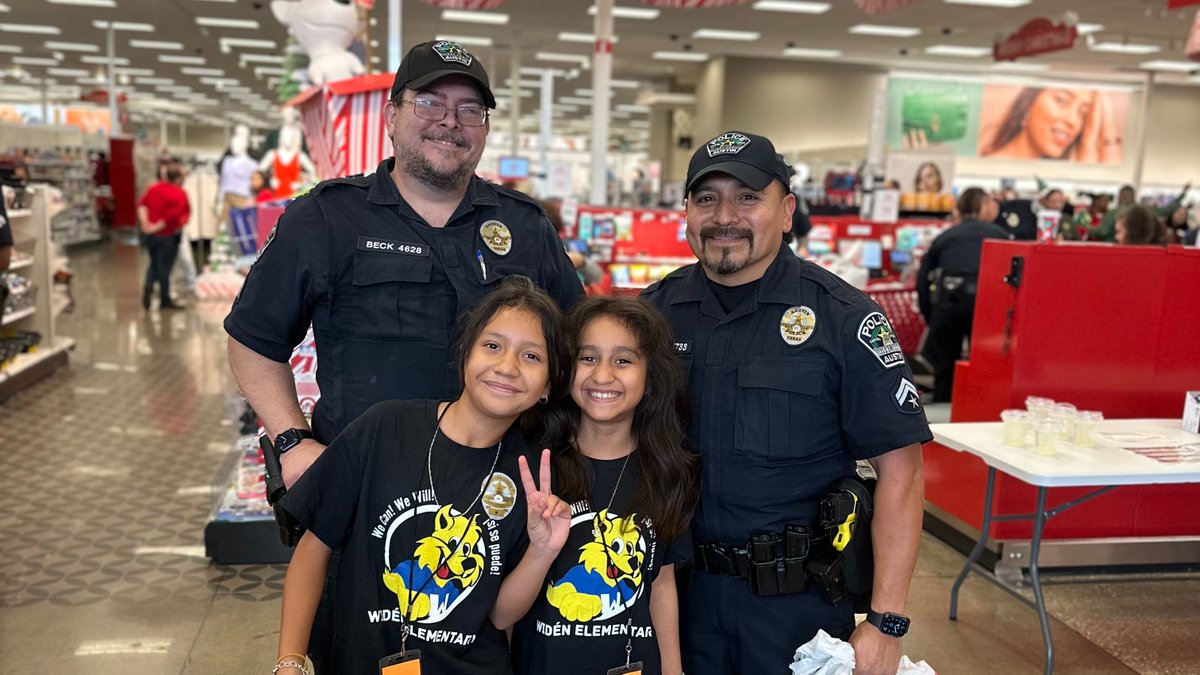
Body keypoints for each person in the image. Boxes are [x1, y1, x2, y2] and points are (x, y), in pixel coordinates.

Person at [224, 39, 584, 488]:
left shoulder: (526, 224)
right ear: (392, 117)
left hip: (500, 489)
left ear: (486, 129)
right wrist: (292, 440)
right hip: (363, 484)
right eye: (430, 103)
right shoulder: (324, 218)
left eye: (470, 110)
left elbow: (577, 342)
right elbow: (253, 338)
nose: (450, 122)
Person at [642, 131, 931, 675]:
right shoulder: (652, 316)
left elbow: (903, 473)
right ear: (687, 213)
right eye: (707, 199)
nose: (724, 216)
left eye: (748, 197)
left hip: (798, 611)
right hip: (672, 601)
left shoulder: (845, 319)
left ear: (787, 211)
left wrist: (886, 622)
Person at [274, 277, 573, 675]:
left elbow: (500, 616)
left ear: (548, 385)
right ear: (465, 352)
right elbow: (313, 551)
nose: (507, 367)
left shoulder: (533, 475)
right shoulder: (384, 428)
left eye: (531, 356)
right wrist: (290, 662)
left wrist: (542, 550)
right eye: (492, 346)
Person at [512, 297, 700, 675]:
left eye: (623, 360)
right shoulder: (534, 465)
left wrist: (673, 669)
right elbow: (503, 607)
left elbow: (662, 582)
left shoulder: (668, 471)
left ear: (651, 378)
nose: (602, 375)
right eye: (588, 357)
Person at [917, 188, 1011, 403]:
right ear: (984, 206)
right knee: (984, 364)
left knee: (945, 366)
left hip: (949, 303)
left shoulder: (945, 237)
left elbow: (923, 280)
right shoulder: (999, 236)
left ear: (958, 210)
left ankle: (942, 406)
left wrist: (930, 315)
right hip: (987, 307)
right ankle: (978, 406)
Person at [982, 87, 1121, 163]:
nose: (1073, 121)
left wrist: (1088, 143)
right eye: (1062, 101)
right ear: (1028, 104)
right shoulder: (997, 162)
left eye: (1083, 113)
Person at [137, 162, 190, 310]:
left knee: (154, 263)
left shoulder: (153, 189)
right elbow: (172, 216)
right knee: (164, 268)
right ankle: (164, 299)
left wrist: (146, 224)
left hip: (150, 236)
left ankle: (148, 287)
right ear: (178, 178)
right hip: (167, 236)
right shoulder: (179, 193)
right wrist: (156, 227)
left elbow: (142, 205)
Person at [995, 186, 1065, 241]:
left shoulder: (1056, 219)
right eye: (1053, 202)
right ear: (1043, 200)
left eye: (1061, 202)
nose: (1058, 206)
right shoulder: (1021, 206)